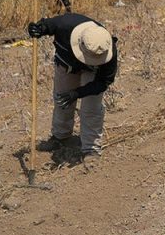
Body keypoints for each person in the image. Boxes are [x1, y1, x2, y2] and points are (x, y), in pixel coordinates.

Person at [27, 13, 118, 164]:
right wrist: (37, 28)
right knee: (62, 100)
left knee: (91, 108)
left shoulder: (108, 51)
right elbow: (47, 25)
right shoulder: (65, 24)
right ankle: (60, 137)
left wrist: (77, 93)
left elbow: (103, 82)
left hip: (94, 72)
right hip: (66, 64)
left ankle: (91, 149)